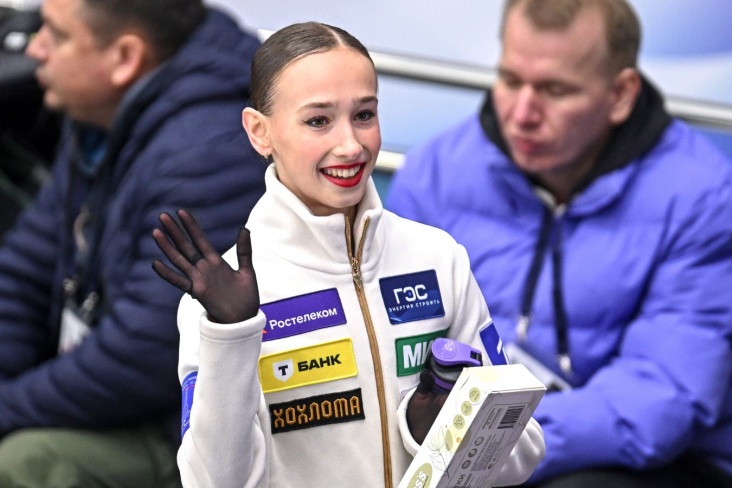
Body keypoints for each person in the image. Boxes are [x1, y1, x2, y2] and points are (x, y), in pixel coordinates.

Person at [152, 21, 546, 488]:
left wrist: (435, 432)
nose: (350, 145)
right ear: (260, 132)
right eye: (318, 121)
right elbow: (216, 483)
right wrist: (232, 336)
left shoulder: (437, 258)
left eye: (364, 115)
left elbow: (524, 448)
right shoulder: (221, 301)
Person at [386, 0, 732, 487]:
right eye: (510, 80)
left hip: (642, 462)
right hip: (465, 441)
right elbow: (395, 352)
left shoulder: (701, 195)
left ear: (620, 94)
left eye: (555, 90)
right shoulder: (434, 174)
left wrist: (495, 443)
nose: (522, 114)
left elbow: (662, 396)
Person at [0, 0, 267, 485]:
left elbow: (142, 357)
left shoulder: (206, 149)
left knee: (24, 464)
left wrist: (9, 408)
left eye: (57, 35)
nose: (34, 48)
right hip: (116, 388)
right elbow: (25, 271)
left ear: (124, 58)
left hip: (188, 426)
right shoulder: (106, 111)